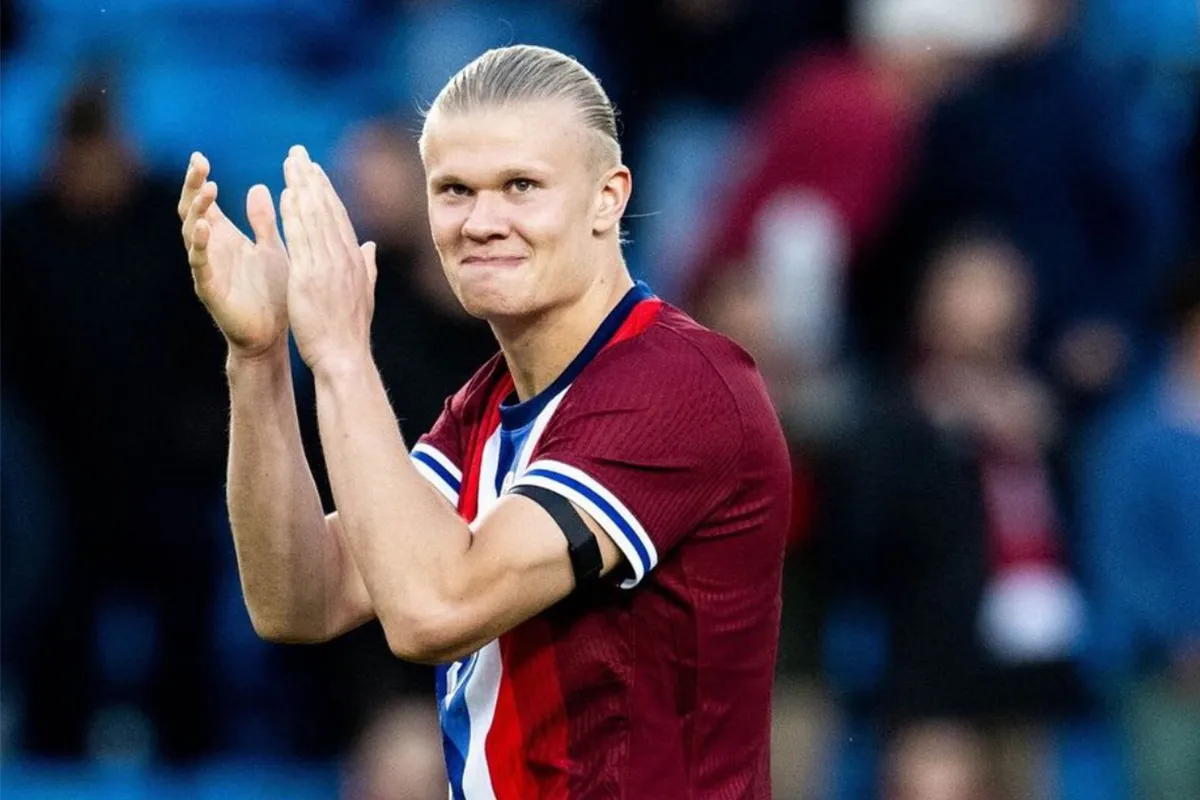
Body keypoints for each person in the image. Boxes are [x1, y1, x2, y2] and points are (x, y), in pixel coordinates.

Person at [176, 44, 791, 798]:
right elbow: (300, 598)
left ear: (608, 197)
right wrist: (260, 357)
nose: (482, 222)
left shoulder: (679, 385)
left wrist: (339, 352)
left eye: (521, 186)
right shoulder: (484, 405)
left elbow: (435, 611)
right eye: (455, 190)